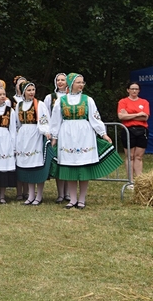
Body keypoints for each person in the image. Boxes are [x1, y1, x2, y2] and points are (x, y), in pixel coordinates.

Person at [50, 73, 121, 209]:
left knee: (83, 166)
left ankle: (82, 199)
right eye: (78, 82)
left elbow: (95, 118)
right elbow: (55, 120)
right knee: (70, 167)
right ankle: (72, 199)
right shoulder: (61, 101)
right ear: (71, 84)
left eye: (82, 82)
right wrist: (54, 137)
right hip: (67, 134)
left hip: (84, 134)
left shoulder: (88, 100)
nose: (81, 85)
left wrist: (103, 134)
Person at [15, 82, 52, 205]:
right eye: (29, 90)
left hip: (35, 134)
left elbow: (44, 119)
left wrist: (45, 131)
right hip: (24, 136)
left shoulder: (39, 104)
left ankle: (39, 195)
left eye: (33, 89)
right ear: (23, 92)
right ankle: (31, 195)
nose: (31, 92)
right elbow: (17, 123)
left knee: (37, 165)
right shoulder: (19, 105)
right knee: (28, 166)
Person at [44, 73, 69, 202]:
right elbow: (46, 115)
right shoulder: (50, 98)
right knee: (59, 162)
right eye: (58, 80)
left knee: (69, 162)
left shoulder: (72, 97)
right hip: (57, 133)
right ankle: (60, 193)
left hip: (70, 133)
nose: (60, 82)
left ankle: (69, 193)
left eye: (62, 80)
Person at [117, 82, 149, 179]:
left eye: (136, 89)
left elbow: (145, 118)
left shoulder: (144, 102)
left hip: (142, 130)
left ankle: (139, 180)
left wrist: (129, 115)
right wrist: (138, 114)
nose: (134, 91)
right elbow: (121, 116)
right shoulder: (123, 102)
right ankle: (130, 180)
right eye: (132, 89)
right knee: (130, 156)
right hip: (128, 130)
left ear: (139, 90)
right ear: (128, 90)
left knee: (138, 156)